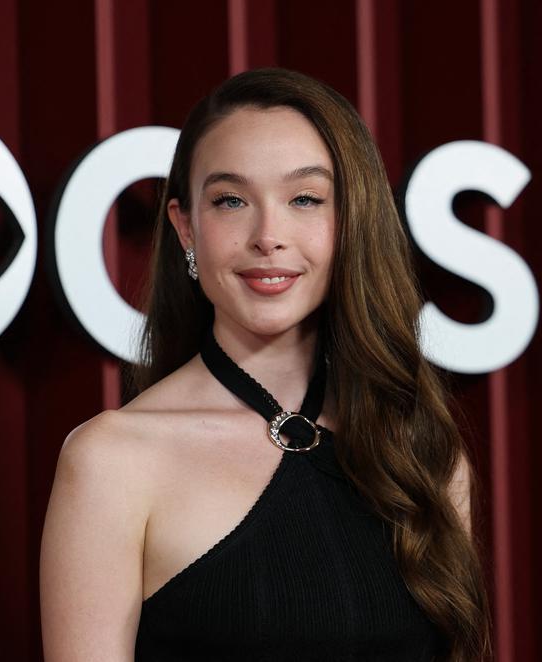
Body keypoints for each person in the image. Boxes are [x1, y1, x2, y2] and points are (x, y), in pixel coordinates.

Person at [39, 67, 490, 662]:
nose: (267, 235)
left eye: (305, 199)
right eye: (231, 200)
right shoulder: (111, 460)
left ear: (351, 222)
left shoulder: (420, 446)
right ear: (185, 228)